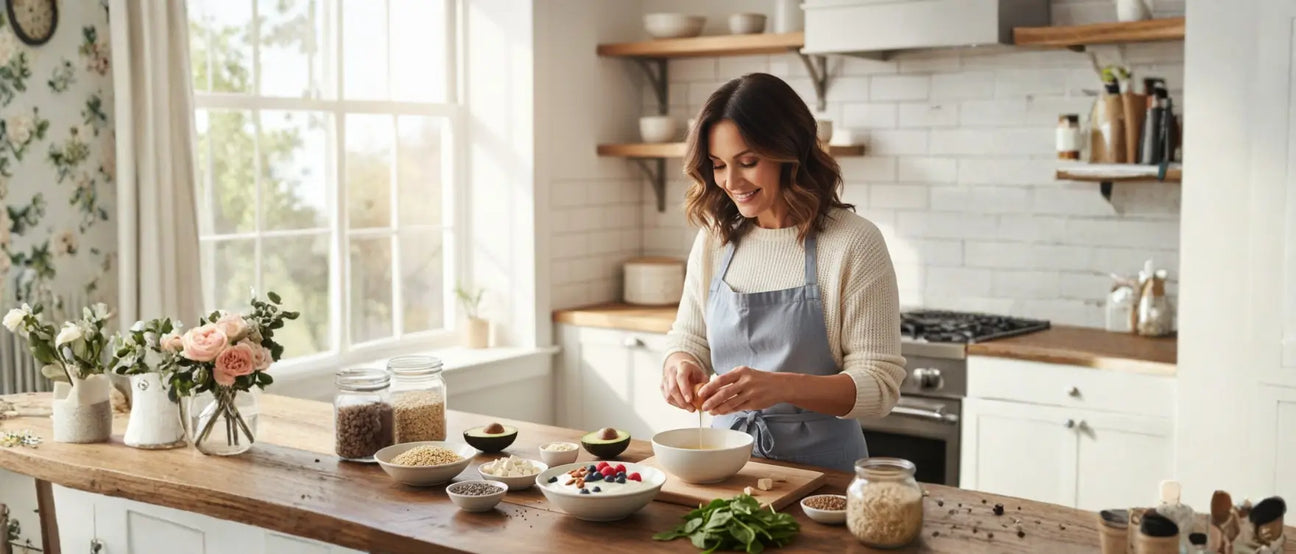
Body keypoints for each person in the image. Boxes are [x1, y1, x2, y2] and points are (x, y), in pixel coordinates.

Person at [660, 73, 906, 473]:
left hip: (825, 478)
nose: (731, 182)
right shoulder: (715, 239)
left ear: (789, 152)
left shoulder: (853, 243)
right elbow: (690, 336)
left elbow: (879, 385)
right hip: (727, 465)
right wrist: (680, 363)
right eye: (719, 165)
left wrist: (780, 386)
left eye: (748, 162)